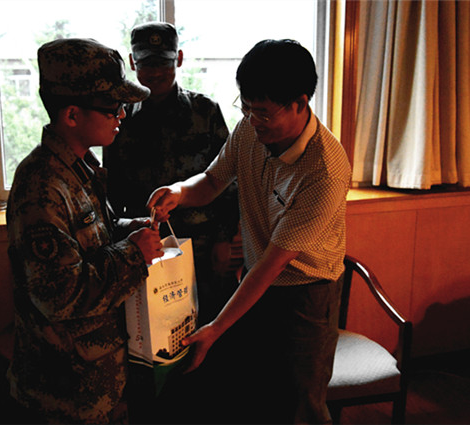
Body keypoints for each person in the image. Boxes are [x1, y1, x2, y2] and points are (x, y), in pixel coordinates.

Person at [147, 39, 352, 424]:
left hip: (305, 294)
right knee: (254, 392)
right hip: (257, 282)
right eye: (246, 107)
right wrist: (178, 192)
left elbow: (274, 264)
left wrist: (216, 328)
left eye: (263, 112)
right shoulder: (250, 130)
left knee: (299, 404)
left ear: (300, 103)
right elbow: (212, 181)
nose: (252, 119)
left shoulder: (324, 171)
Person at [5, 38, 165, 424]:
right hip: (65, 396)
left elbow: (94, 239)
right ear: (72, 115)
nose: (122, 114)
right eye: (112, 107)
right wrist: (133, 253)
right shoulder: (42, 186)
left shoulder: (78, 167)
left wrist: (131, 230)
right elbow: (59, 294)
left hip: (100, 381)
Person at [104, 22, 239, 326]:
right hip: (144, 249)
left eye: (163, 63)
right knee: (154, 332)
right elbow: (111, 191)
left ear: (178, 59)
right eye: (146, 64)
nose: (154, 73)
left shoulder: (205, 111)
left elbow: (229, 180)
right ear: (132, 63)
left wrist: (224, 238)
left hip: (203, 247)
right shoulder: (119, 119)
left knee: (211, 326)